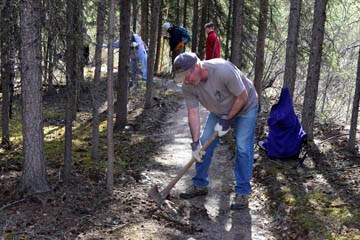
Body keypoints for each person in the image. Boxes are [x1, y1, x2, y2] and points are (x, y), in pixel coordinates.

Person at [173, 52, 258, 210]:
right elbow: (193, 112)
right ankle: (200, 184)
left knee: (242, 147)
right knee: (205, 143)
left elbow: (242, 96)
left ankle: (243, 192)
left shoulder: (223, 70)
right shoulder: (188, 85)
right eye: (183, 78)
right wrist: (195, 143)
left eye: (187, 76)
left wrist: (228, 119)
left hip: (246, 107)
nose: (186, 80)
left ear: (197, 66)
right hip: (220, 111)